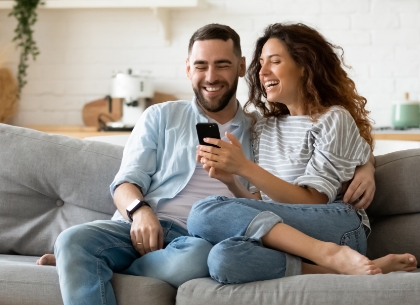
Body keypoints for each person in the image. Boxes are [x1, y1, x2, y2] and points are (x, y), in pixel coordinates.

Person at [36, 24, 376, 304]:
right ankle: (81, 260)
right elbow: (125, 183)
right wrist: (140, 211)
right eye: (200, 66)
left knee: (201, 252)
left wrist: (366, 167)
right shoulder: (161, 116)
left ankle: (91, 267)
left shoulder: (258, 127)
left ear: (242, 67)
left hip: (197, 239)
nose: (210, 76)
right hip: (142, 226)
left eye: (222, 65)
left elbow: (335, 139)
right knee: (71, 240)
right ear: (188, 69)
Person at [189, 23, 417, 285]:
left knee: (202, 212)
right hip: (289, 233)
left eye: (274, 61)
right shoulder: (263, 127)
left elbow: (314, 201)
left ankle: (330, 253)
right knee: (223, 259)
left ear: (304, 66)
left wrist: (245, 167)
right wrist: (231, 180)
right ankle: (339, 268)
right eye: (261, 63)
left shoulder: (332, 119)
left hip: (336, 226)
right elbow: (261, 203)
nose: (262, 72)